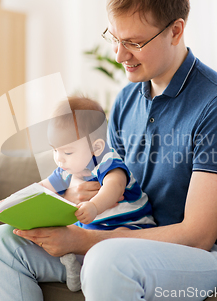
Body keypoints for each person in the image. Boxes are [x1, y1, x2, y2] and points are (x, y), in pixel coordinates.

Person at [0, 0, 217, 300]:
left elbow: (197, 235)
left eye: (133, 42)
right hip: (132, 240)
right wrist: (76, 193)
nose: (119, 55)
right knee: (0, 245)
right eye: (115, 38)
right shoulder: (127, 99)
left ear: (175, 31)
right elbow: (108, 180)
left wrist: (82, 240)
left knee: (107, 259)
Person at [38, 96, 156, 292]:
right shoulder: (67, 169)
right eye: (55, 150)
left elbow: (114, 186)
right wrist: (18, 199)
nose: (59, 159)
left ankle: (86, 267)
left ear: (96, 148)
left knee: (118, 242)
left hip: (130, 226)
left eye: (67, 152)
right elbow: (44, 187)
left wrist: (94, 206)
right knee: (68, 235)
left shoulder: (107, 161)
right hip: (91, 231)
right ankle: (74, 265)